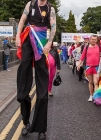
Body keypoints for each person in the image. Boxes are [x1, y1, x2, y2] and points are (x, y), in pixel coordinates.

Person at [15, 0, 56, 139]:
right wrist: (17, 36)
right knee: (24, 67)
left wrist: (50, 42)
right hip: (28, 36)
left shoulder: (50, 8)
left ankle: (41, 129)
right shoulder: (30, 4)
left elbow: (53, 26)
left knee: (42, 92)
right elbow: (22, 21)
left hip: (41, 40)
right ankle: (25, 122)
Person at [77, 35, 101, 102]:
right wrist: (79, 64)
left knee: (96, 82)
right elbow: (82, 56)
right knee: (90, 82)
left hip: (97, 67)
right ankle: (91, 95)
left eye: (95, 39)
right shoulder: (86, 47)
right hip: (89, 67)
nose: (94, 41)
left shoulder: (99, 47)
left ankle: (96, 97)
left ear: (97, 40)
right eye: (92, 39)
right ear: (90, 40)